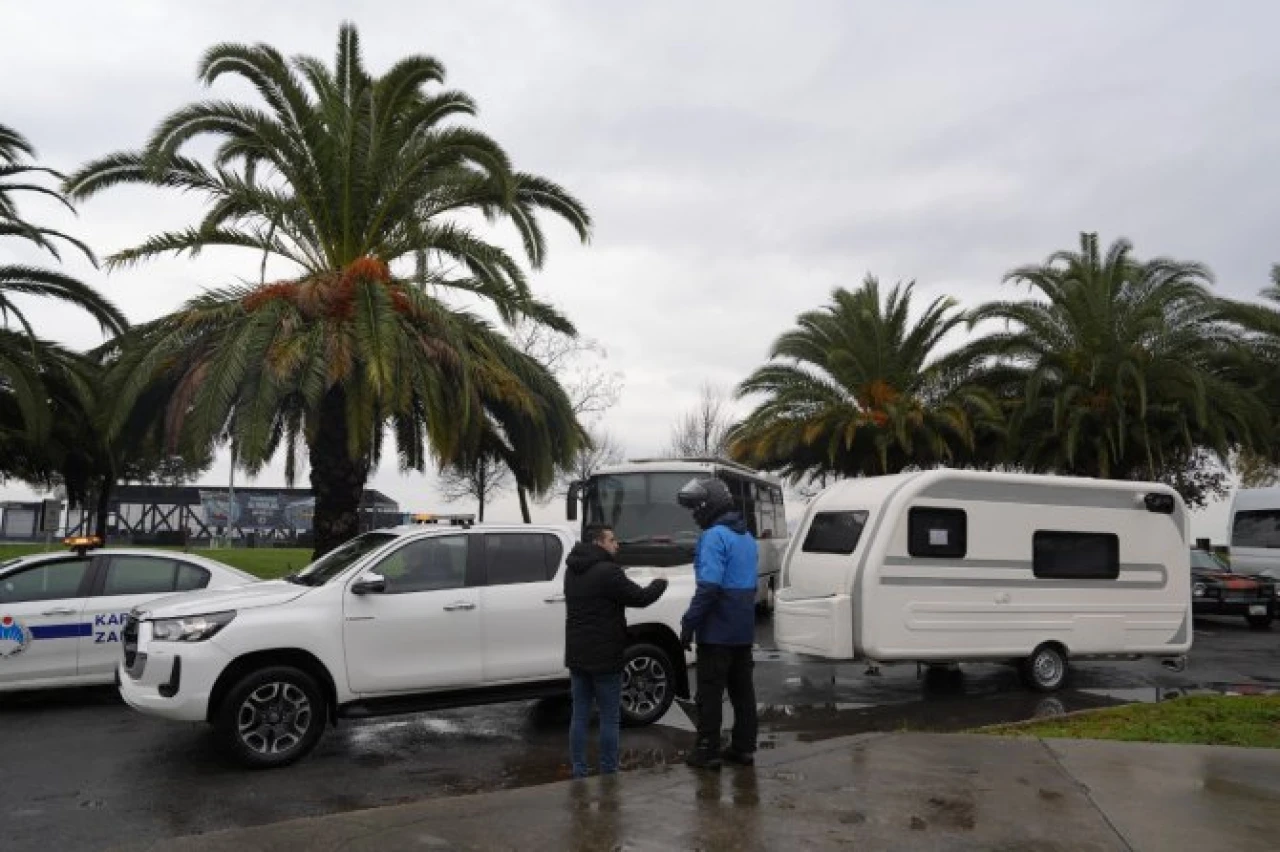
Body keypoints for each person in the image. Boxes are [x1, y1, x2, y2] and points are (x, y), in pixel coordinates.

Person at [564, 524, 669, 778]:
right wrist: (660, 583)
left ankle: (579, 770)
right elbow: (641, 598)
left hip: (578, 654)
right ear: (599, 542)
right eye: (612, 540)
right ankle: (609, 770)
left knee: (579, 715)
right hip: (605, 656)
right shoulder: (608, 572)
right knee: (610, 717)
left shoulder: (571, 571)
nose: (617, 545)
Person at [677, 476, 760, 769]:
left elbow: (709, 587)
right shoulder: (747, 537)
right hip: (743, 629)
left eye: (697, 506)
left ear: (709, 505)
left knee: (710, 694)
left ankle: (707, 750)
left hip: (717, 631)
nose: (695, 513)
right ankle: (744, 747)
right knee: (743, 692)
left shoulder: (714, 537)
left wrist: (689, 623)